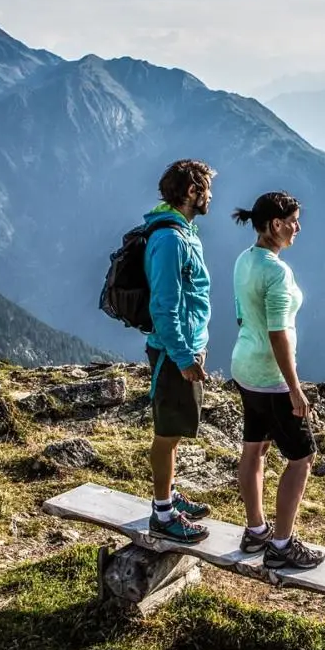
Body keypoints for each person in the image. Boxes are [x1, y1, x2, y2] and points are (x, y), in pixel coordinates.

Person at [230, 190, 324, 570]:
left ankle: (256, 531)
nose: (298, 227)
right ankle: (282, 544)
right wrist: (295, 388)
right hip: (271, 379)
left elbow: (242, 315)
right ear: (275, 225)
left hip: (244, 368)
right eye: (293, 221)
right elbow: (278, 333)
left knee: (255, 449)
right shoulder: (277, 272)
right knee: (302, 457)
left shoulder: (244, 260)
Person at [143, 159, 216, 544]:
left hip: (185, 347)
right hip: (173, 353)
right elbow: (164, 306)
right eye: (206, 188)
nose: (210, 196)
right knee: (167, 433)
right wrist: (185, 357)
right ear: (192, 191)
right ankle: (163, 513)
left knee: (174, 430)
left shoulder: (184, 232)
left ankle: (168, 495)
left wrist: (196, 346)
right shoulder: (170, 239)